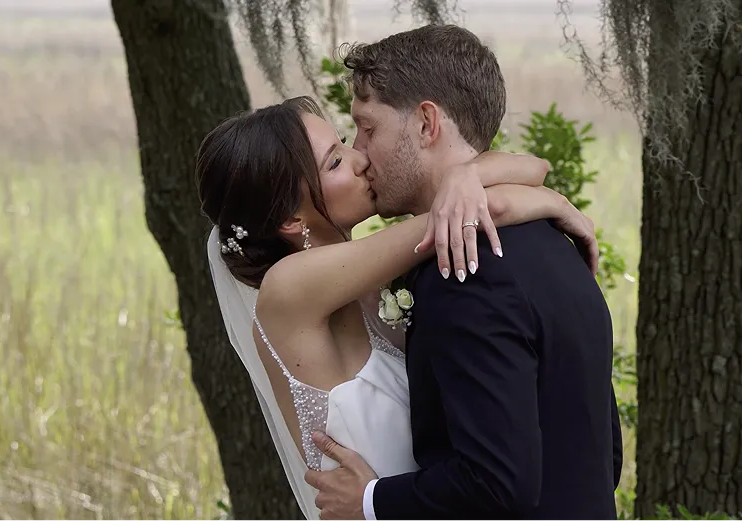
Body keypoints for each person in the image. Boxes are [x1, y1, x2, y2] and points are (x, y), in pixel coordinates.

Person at [197, 95, 599, 521]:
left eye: (345, 143)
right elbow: (488, 207)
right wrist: (555, 204)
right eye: (334, 163)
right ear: (291, 221)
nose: (359, 160)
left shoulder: (369, 288)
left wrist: (462, 179)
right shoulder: (288, 290)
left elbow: (533, 167)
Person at [304, 25, 622, 521]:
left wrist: (369, 502)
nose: (361, 153)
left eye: (368, 128)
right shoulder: (550, 237)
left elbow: (496, 482)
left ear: (426, 124)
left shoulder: (466, 268)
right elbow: (604, 456)